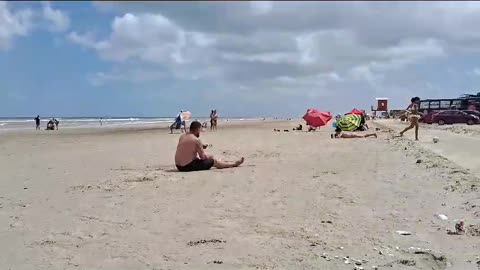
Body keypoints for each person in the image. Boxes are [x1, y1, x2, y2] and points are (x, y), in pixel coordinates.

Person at [175, 121, 244, 172]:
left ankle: (223, 162)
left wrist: (201, 146)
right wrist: (210, 157)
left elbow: (187, 146)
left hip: (178, 166)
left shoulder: (183, 136)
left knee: (210, 158)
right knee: (213, 161)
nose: (200, 131)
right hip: (186, 167)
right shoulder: (196, 140)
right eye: (200, 129)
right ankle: (233, 164)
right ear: (197, 129)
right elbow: (203, 157)